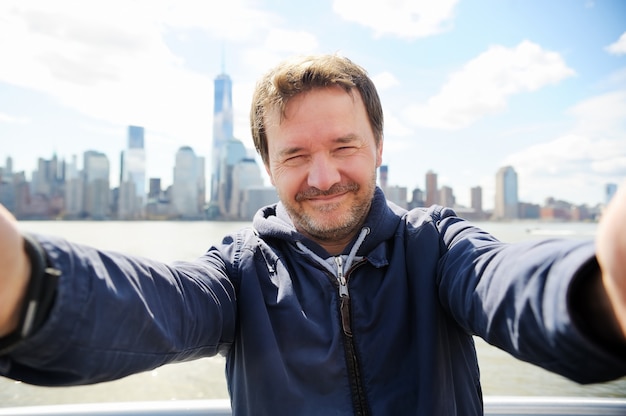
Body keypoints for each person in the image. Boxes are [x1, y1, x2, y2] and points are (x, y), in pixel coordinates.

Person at [0, 54, 625, 416]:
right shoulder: (235, 273)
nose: (322, 177)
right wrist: (25, 286)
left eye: (344, 147)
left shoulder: (435, 247)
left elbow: (507, 284)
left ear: (379, 146)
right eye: (295, 155)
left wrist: (601, 290)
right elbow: (156, 305)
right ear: (267, 164)